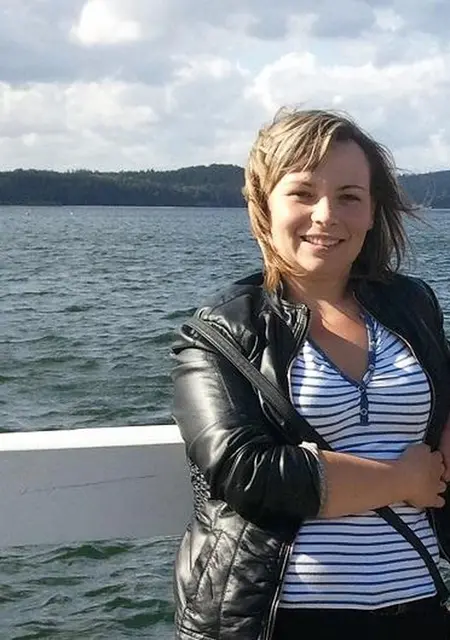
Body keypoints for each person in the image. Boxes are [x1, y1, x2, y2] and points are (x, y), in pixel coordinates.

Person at [171, 108, 450, 640]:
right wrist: (402, 480)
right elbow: (246, 472)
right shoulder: (222, 331)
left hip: (420, 605)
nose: (326, 215)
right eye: (302, 193)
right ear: (263, 206)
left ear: (372, 212)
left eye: (349, 196)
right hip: (281, 617)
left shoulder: (412, 306)